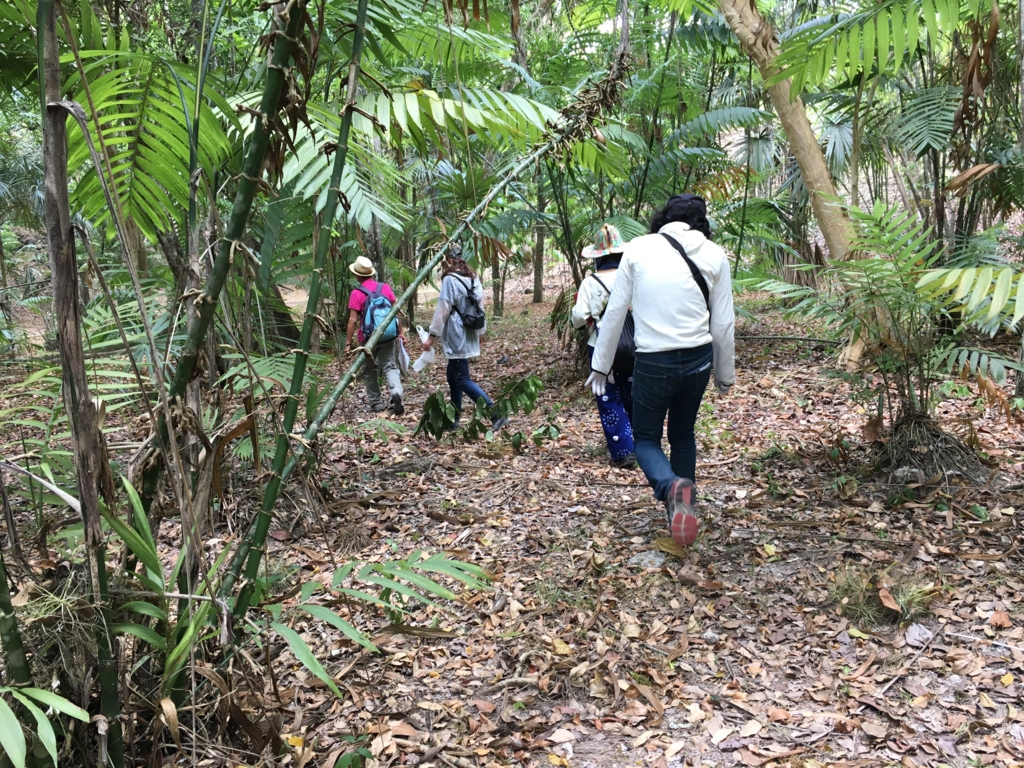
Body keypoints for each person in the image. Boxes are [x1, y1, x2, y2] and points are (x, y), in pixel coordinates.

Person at [588, 194, 735, 547]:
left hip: (654, 361)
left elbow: (615, 314)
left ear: (662, 219)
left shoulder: (638, 249)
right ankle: (684, 509)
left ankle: (671, 489)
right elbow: (724, 324)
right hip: (699, 359)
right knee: (683, 434)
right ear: (701, 223)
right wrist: (724, 375)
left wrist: (600, 366)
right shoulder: (715, 254)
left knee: (645, 440)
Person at [571, 223, 636, 469]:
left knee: (608, 396)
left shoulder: (590, 282)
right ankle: (643, 445)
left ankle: (622, 450)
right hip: (635, 344)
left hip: (601, 346)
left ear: (597, 256)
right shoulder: (632, 276)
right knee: (633, 394)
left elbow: (579, 317)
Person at [423, 250, 509, 432]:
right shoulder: (472, 278)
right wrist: (481, 332)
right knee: (452, 377)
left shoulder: (449, 280)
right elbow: (480, 306)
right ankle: (453, 420)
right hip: (469, 330)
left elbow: (443, 308)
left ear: (447, 261)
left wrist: (432, 336)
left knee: (462, 379)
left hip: (456, 332)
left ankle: (495, 413)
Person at [345, 255, 405, 415]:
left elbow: (352, 320)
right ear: (371, 273)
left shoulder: (356, 293)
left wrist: (348, 343)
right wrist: (400, 332)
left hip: (368, 339)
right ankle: (396, 393)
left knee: (369, 370)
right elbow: (395, 311)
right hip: (388, 335)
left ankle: (376, 403)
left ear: (357, 275)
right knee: (390, 366)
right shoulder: (384, 287)